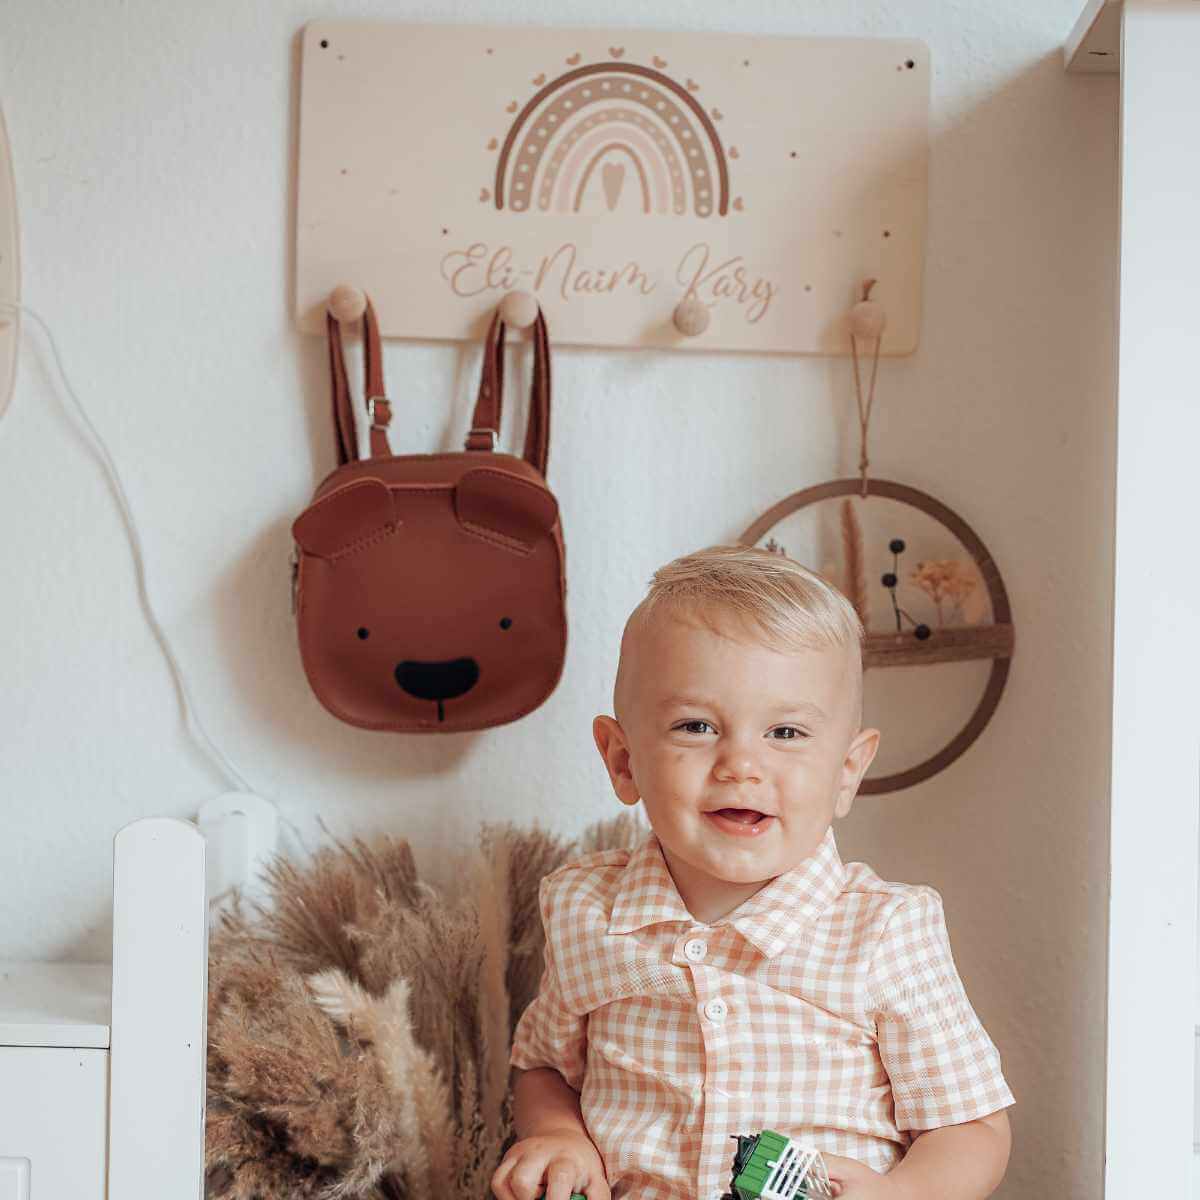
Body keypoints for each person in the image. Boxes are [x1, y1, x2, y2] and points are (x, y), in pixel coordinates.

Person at [491, 545, 1014, 1200]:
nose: (741, 764)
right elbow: (544, 1069)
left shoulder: (883, 930)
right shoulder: (585, 911)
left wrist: (903, 1194)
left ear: (847, 772)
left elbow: (971, 1127)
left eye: (786, 733)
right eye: (697, 726)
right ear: (623, 761)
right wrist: (558, 1137)